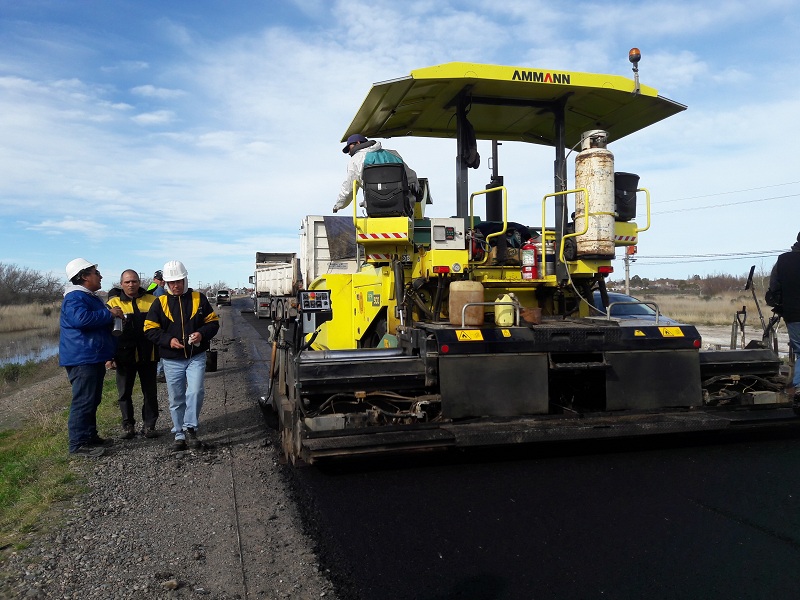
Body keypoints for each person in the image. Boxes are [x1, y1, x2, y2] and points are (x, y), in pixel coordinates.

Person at [144, 260, 220, 451]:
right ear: (166, 283)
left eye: (179, 281)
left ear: (185, 278)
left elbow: (213, 322)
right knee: (176, 398)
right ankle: (179, 434)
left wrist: (201, 333)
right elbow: (149, 329)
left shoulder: (198, 298)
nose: (175, 285)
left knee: (195, 392)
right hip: (171, 359)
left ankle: (190, 428)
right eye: (171, 282)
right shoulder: (159, 302)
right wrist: (168, 340)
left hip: (196, 356)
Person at [60, 258, 124, 457]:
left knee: (92, 399)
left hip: (91, 356)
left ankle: (89, 436)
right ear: (84, 276)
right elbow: (81, 319)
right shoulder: (75, 297)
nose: (101, 276)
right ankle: (78, 445)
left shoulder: (87, 296)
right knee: (84, 400)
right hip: (82, 358)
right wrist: (110, 314)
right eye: (96, 273)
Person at [106, 270, 160, 439]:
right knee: (124, 393)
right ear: (121, 284)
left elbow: (161, 325)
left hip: (148, 355)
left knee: (150, 392)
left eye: (134, 281)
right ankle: (128, 426)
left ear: (139, 282)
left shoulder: (153, 300)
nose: (131, 285)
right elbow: (107, 332)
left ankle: (149, 426)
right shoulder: (113, 303)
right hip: (124, 356)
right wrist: (109, 357)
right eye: (127, 282)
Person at [333, 133, 419, 213]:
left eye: (349, 147)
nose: (349, 152)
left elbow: (349, 187)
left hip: (374, 206)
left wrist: (339, 205)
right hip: (401, 206)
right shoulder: (393, 154)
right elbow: (411, 177)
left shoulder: (355, 160)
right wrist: (418, 191)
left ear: (358, 143)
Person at [766, 232, 800, 404]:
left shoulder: (783, 260)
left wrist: (779, 304)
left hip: (793, 314)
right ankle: (797, 386)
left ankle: (796, 386)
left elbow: (773, 288)